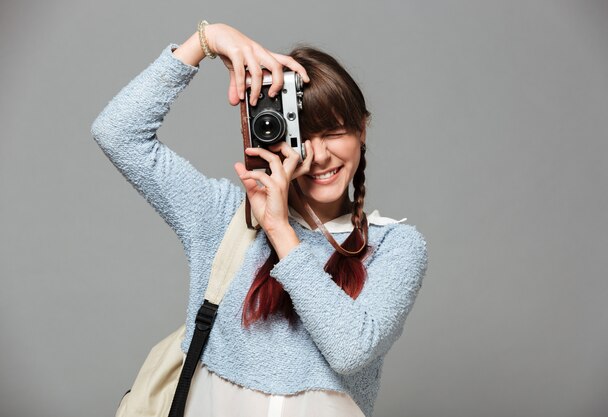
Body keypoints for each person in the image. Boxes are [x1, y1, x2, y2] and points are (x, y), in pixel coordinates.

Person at [91, 21, 428, 417]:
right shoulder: (224, 218)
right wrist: (207, 40)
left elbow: (351, 350)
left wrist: (280, 231)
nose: (318, 155)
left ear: (362, 130)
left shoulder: (396, 246)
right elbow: (117, 133)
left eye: (334, 132)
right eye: (302, 135)